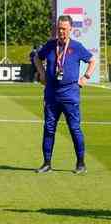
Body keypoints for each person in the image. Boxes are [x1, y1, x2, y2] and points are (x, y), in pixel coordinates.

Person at [34, 15, 95, 174]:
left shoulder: (77, 47)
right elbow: (36, 58)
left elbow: (92, 61)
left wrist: (85, 77)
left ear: (70, 29)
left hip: (70, 94)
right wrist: (42, 74)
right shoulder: (49, 46)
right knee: (48, 128)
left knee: (74, 129)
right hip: (51, 94)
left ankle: (81, 164)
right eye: (59, 28)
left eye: (64, 29)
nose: (61, 31)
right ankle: (47, 163)